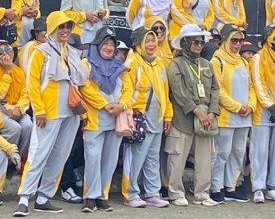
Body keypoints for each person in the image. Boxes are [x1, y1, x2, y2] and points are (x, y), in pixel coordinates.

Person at [15, 12, 86, 216]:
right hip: (48, 112)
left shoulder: (72, 52)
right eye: (61, 27)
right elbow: (33, 84)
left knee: (60, 155)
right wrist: (40, 110)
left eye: (68, 27)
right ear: (52, 28)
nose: (65, 31)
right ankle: (23, 198)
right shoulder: (41, 51)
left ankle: (44, 197)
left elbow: (80, 81)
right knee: (38, 155)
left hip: (70, 113)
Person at [165, 24, 220, 207]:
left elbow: (215, 89)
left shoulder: (206, 64)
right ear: (185, 43)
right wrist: (198, 111)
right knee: (177, 157)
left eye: (201, 41)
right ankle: (176, 193)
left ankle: (202, 194)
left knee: (204, 159)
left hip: (206, 119)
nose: (199, 45)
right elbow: (178, 92)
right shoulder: (175, 64)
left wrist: (211, 112)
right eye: (195, 41)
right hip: (183, 118)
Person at [120, 26, 172, 208]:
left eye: (153, 40)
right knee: (135, 156)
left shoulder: (159, 63)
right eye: (147, 41)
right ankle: (131, 193)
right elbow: (127, 89)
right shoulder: (132, 63)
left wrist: (167, 116)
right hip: (140, 117)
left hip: (157, 118)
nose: (151, 44)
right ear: (139, 43)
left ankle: (152, 193)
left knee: (152, 157)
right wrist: (131, 112)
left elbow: (165, 93)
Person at [80, 29, 126, 211]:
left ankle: (102, 195)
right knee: (93, 157)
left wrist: (121, 105)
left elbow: (129, 88)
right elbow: (85, 88)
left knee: (110, 158)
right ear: (97, 44)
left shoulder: (120, 65)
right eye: (105, 43)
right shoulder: (86, 64)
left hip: (116, 119)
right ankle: (89, 196)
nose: (108, 47)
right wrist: (106, 105)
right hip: (95, 119)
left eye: (112, 44)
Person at [248, 26, 275, 204]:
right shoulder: (258, 58)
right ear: (268, 40)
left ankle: (274, 187)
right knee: (259, 151)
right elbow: (258, 83)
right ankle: (258, 188)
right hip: (263, 112)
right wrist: (270, 106)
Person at [209, 25, 254, 203]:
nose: (237, 44)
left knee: (238, 152)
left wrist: (250, 106)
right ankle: (216, 186)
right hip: (227, 116)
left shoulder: (243, 61)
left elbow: (251, 87)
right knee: (222, 152)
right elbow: (218, 91)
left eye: (240, 41)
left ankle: (231, 185)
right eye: (234, 40)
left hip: (244, 116)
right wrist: (237, 107)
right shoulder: (217, 60)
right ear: (225, 40)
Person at [0, 40, 32, 156]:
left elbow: (25, 95)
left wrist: (19, 109)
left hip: (15, 108)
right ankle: (4, 159)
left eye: (8, 50)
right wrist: (7, 72)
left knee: (28, 126)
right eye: (1, 52)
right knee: (14, 129)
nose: (6, 55)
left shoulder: (19, 72)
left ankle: (17, 159)